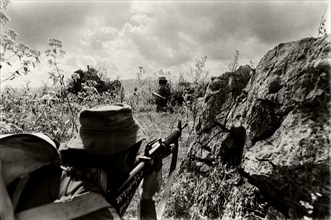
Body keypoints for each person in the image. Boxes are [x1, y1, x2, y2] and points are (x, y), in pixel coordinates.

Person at [58, 103, 160, 220]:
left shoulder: (62, 177)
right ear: (124, 159)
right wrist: (146, 198)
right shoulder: (97, 211)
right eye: (132, 159)